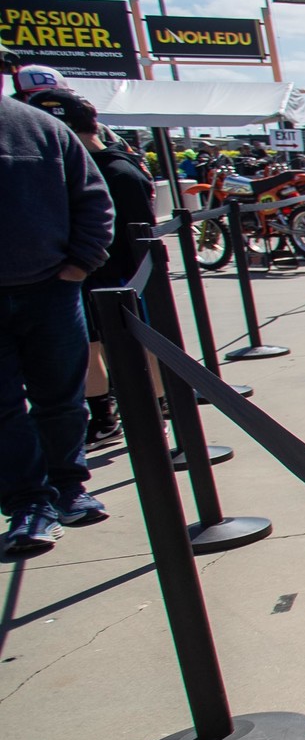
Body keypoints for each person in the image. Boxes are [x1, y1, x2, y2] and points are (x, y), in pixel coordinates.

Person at [0, 87, 114, 556]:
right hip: (47, 287)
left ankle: (69, 485)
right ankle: (28, 501)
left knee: (63, 399)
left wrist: (78, 267)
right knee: (3, 408)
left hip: (50, 290)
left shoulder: (41, 128)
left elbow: (94, 200)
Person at [42, 97, 155, 447]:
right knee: (94, 349)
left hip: (118, 276)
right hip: (99, 276)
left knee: (137, 347)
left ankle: (153, 412)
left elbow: (139, 234)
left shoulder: (115, 171)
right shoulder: (109, 166)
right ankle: (110, 416)